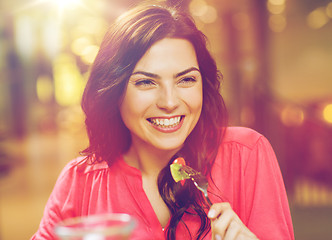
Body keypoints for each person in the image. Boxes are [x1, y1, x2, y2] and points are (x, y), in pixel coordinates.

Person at [32, 2, 294, 240]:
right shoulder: (81, 182)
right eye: (146, 82)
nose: (169, 102)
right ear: (114, 90)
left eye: (186, 79)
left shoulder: (246, 154)